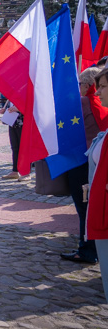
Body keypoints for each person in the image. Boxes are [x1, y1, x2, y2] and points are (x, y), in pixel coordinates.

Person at [61, 67, 107, 264]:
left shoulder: (82, 103)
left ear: (88, 85)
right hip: (92, 163)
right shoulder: (99, 104)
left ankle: (87, 250)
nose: (78, 87)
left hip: (81, 163)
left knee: (83, 210)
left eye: (80, 84)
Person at [0, 100, 26, 180]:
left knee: (24, 148)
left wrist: (19, 109)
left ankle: (26, 172)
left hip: (23, 122)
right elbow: (10, 106)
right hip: (13, 123)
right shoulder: (11, 95)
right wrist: (5, 111)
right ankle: (15, 170)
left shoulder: (25, 91)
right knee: (15, 147)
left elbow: (31, 107)